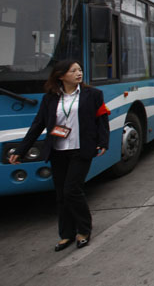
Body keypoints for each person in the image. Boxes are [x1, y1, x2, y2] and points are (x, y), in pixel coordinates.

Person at [9, 60, 110, 251]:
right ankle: (66, 234)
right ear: (61, 76)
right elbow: (38, 125)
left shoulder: (93, 95)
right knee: (61, 194)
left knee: (72, 190)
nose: (79, 73)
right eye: (73, 71)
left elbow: (101, 118)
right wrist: (20, 151)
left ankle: (84, 229)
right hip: (57, 150)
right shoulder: (50, 98)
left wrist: (103, 142)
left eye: (80, 70)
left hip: (81, 149)